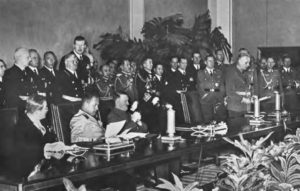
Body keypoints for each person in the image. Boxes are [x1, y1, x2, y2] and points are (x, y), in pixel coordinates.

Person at [14, 95, 56, 177]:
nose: (47, 110)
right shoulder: (21, 127)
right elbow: (24, 154)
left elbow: (52, 139)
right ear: (37, 111)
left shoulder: (43, 121)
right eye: (46, 108)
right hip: (30, 171)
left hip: (47, 166)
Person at [197, 55, 226, 123]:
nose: (212, 62)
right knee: (207, 122)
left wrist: (221, 98)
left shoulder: (219, 72)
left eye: (213, 61)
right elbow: (202, 87)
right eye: (209, 61)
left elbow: (222, 87)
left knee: (219, 122)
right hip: (206, 101)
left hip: (218, 100)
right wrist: (210, 94)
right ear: (205, 62)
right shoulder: (201, 73)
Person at [225, 53, 252, 118]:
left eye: (249, 63)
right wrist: (243, 99)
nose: (248, 65)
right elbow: (230, 92)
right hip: (235, 108)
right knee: (236, 127)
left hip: (244, 108)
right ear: (240, 62)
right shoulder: (231, 73)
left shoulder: (244, 72)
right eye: (246, 63)